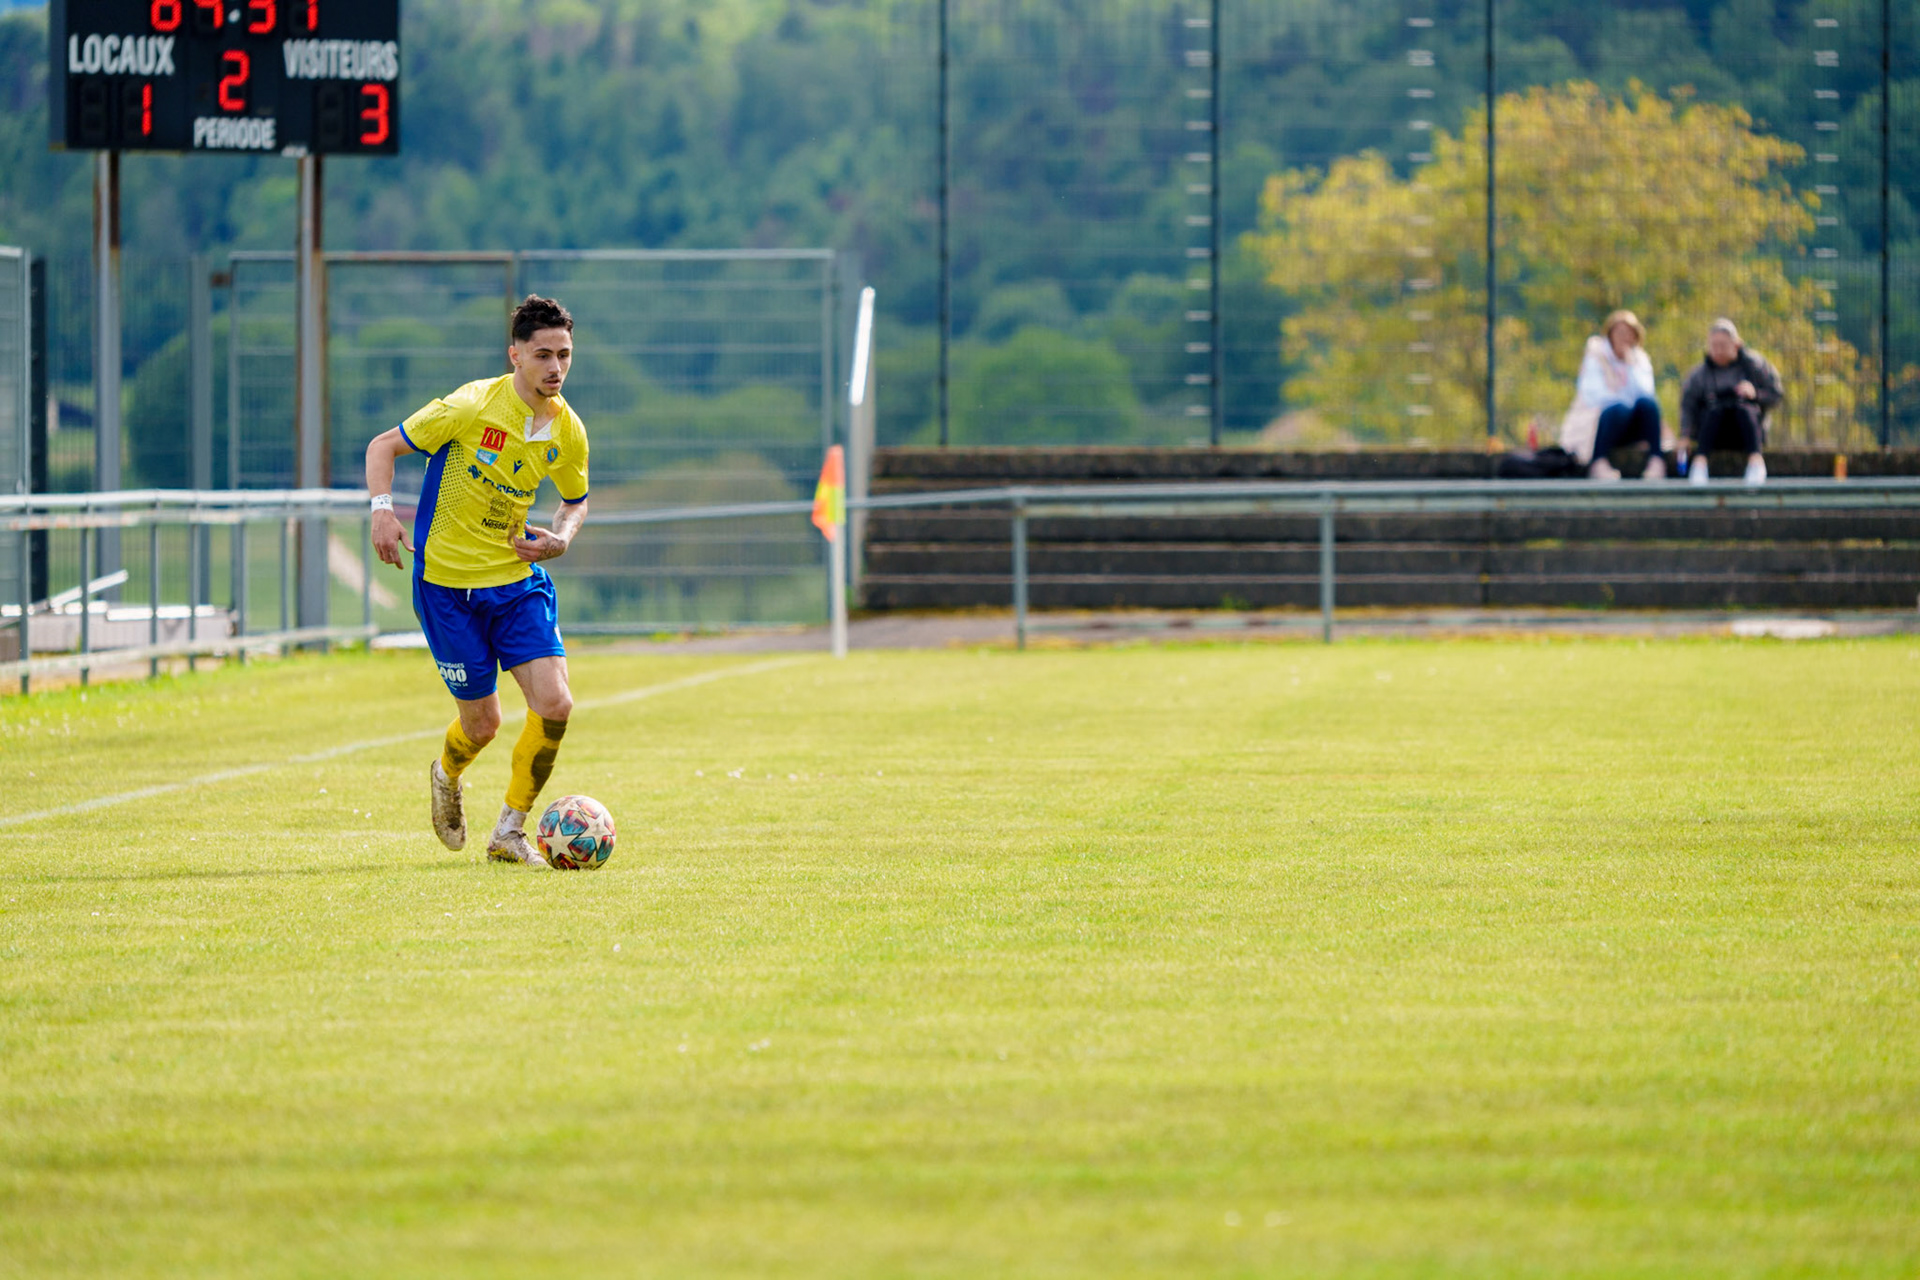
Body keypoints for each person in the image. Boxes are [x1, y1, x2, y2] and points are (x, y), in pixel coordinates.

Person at [364, 295, 591, 870]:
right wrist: (382, 510)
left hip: (517, 584)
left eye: (564, 355)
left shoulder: (568, 431)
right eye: (543, 354)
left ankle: (510, 832)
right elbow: (382, 446)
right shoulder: (471, 406)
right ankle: (447, 773)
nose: (555, 368)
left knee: (556, 704)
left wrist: (561, 537)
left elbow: (575, 501)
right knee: (483, 724)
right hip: (446, 588)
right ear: (514, 355)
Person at [1559, 309, 1667, 481]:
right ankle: (1599, 461)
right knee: (1618, 408)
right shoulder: (1596, 357)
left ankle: (1656, 460)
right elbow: (1593, 395)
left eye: (1629, 333)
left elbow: (1645, 392)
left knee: (1648, 404)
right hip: (1604, 422)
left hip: (1632, 425)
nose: (1624, 337)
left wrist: (1630, 366)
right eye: (1620, 332)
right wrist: (1623, 399)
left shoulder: (1639, 359)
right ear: (1610, 334)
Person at [1680, 318, 1783, 486]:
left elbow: (1776, 395)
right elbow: (1688, 406)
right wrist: (1684, 435)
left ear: (1737, 344)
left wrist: (1754, 394)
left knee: (1745, 409)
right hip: (1712, 434)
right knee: (1714, 410)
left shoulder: (1755, 366)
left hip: (1747, 434)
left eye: (1723, 345)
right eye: (1714, 346)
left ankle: (1756, 462)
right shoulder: (1699, 375)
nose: (1718, 350)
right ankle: (1699, 464)